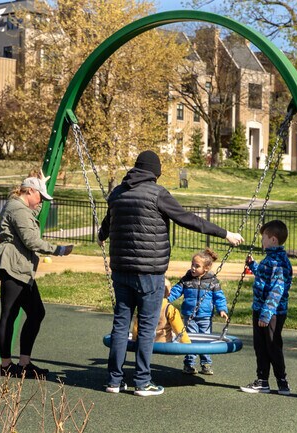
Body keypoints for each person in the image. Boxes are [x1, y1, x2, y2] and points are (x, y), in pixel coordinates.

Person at [98, 150, 243, 397]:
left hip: (121, 270)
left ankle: (114, 380)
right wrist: (224, 233)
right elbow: (187, 219)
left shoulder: (118, 193)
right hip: (149, 272)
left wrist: (101, 236)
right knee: (146, 326)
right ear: (155, 172)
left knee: (121, 325)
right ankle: (142, 383)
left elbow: (108, 222)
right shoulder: (157, 194)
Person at [0, 175, 73, 378]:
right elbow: (31, 240)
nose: (41, 201)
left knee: (35, 312)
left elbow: (32, 215)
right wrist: (59, 249)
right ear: (29, 191)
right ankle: (6, 365)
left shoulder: (20, 207)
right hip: (13, 267)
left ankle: (23, 363)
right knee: (9, 314)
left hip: (21, 268)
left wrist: (43, 186)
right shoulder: (17, 209)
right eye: (40, 196)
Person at [240, 220, 293, 395]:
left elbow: (277, 290)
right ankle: (263, 381)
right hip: (263, 309)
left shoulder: (278, 261)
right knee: (261, 346)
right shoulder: (271, 259)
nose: (261, 241)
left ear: (273, 240)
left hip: (271, 312)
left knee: (271, 345)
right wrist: (253, 265)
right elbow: (265, 277)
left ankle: (281, 381)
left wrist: (266, 314)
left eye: (264, 237)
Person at [167, 248, 227, 375]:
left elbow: (219, 296)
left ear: (206, 268)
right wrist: (167, 299)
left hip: (205, 317)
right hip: (189, 316)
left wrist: (222, 309)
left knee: (206, 340)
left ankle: (206, 363)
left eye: (197, 266)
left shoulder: (212, 281)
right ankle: (189, 363)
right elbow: (176, 291)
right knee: (190, 340)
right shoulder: (187, 279)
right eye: (192, 265)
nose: (193, 268)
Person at [131, 279, 191, 344]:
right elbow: (179, 330)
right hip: (165, 344)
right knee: (176, 340)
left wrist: (134, 340)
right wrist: (188, 344)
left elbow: (136, 328)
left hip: (145, 343)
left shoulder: (144, 307)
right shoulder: (170, 309)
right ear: (169, 294)